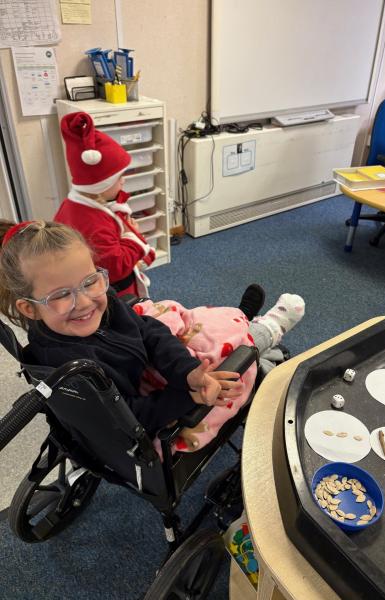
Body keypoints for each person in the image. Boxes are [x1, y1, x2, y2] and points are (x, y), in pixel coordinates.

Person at [0, 220, 305, 451]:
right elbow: (129, 418)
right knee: (223, 359)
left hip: (141, 363)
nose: (84, 302)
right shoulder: (70, 368)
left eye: (90, 281)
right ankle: (265, 332)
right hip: (145, 412)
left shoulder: (94, 305)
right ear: (29, 308)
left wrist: (187, 372)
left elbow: (145, 330)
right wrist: (187, 395)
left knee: (182, 326)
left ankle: (244, 323)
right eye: (61, 295)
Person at [55, 111, 154, 297]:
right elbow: (115, 268)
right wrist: (132, 237)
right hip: (115, 293)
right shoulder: (93, 223)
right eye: (119, 177)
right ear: (100, 185)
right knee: (131, 313)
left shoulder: (72, 205)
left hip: (90, 283)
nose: (124, 180)